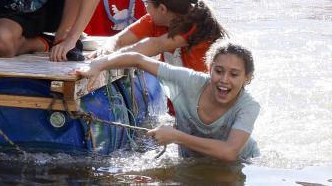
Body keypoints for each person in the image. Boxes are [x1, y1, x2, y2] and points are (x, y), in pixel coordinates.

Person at [75, 41, 260, 161]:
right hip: (191, 163)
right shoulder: (189, 81)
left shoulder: (248, 106)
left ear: (247, 78)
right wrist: (97, 65)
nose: (224, 80)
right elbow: (137, 60)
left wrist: (176, 136)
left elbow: (229, 152)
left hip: (240, 164)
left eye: (234, 74)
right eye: (219, 71)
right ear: (209, 69)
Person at [98, 0, 226, 72]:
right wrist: (107, 50)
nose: (145, 6)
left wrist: (105, 62)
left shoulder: (195, 24)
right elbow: (118, 39)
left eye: (146, 1)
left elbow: (155, 45)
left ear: (162, 8)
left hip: (212, 100)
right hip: (180, 100)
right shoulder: (155, 20)